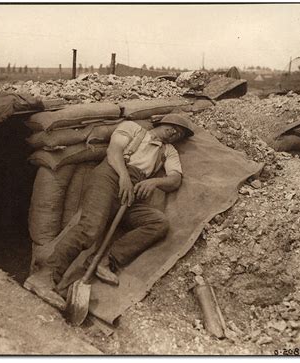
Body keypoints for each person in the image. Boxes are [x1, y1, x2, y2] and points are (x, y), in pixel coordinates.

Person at [24, 113, 195, 310]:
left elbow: (175, 179)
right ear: (161, 122)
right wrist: (123, 177)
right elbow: (114, 152)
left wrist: (154, 181)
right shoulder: (133, 128)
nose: (175, 132)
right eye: (173, 127)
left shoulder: (169, 151)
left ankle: (105, 261)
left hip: (131, 192)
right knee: (90, 228)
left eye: (179, 133)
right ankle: (44, 278)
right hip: (110, 177)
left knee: (158, 223)